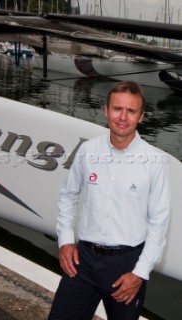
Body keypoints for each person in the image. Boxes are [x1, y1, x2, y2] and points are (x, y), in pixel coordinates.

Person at [48, 81, 171, 320]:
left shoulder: (155, 162)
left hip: (126, 267)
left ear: (141, 116)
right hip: (82, 261)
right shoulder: (88, 150)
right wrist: (64, 241)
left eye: (131, 111)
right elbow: (68, 195)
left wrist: (140, 273)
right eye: (117, 109)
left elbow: (159, 222)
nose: (123, 117)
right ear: (106, 110)